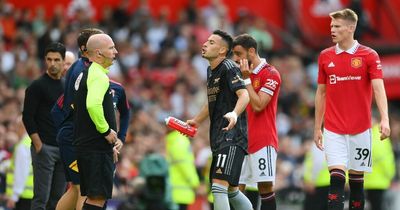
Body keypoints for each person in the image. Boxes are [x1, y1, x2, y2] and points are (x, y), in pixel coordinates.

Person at [314, 8, 391, 210]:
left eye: (337, 26)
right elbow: (321, 93)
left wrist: (385, 119)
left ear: (350, 28)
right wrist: (317, 128)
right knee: (337, 180)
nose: (332, 29)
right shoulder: (324, 56)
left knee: (357, 184)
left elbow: (378, 88)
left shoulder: (369, 55)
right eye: (331, 26)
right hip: (333, 129)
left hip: (361, 129)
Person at [186, 30, 252, 210]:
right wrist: (197, 120)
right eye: (206, 41)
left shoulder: (229, 67)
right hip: (219, 137)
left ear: (222, 51)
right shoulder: (211, 71)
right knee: (231, 190)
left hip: (232, 135)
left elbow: (244, 95)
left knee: (218, 186)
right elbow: (211, 102)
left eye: (211, 42)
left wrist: (234, 114)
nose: (205, 44)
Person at [51, 28, 103, 210]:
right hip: (75, 137)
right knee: (84, 190)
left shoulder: (79, 67)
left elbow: (57, 108)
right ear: (85, 47)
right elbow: (81, 107)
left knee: (75, 188)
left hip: (71, 135)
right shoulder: (85, 71)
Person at [231, 33, 281, 210]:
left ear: (251, 51)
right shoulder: (237, 74)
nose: (235, 59)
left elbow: (259, 105)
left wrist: (246, 79)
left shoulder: (271, 73)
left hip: (263, 140)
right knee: (235, 188)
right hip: (241, 141)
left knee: (265, 187)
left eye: (238, 54)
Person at [73, 33, 122, 210]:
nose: (115, 51)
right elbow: (92, 105)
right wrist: (106, 132)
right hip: (95, 147)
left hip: (88, 146)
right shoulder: (98, 76)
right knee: (97, 198)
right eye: (111, 48)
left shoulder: (87, 73)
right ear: (99, 53)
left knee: (93, 197)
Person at [22, 42, 67, 210]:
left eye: (56, 60)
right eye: (49, 59)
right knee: (41, 198)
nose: (52, 63)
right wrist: (39, 145)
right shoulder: (37, 86)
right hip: (45, 148)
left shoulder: (66, 86)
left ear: (63, 61)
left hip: (62, 150)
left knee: (57, 199)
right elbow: (27, 117)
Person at [364, 120, 395, 210]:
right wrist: (390, 175)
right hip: (379, 183)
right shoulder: (380, 135)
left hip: (364, 181)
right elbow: (385, 160)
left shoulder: (366, 135)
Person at [165, 130, 200, 210]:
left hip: (174, 190)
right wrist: (195, 182)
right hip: (181, 192)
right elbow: (185, 165)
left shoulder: (173, 141)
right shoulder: (181, 142)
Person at [5, 116, 34, 210]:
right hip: (31, 194)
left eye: (16, 126)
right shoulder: (31, 142)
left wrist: (14, 196)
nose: (15, 129)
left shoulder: (22, 146)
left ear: (22, 126)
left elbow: (21, 172)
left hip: (23, 196)